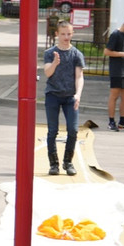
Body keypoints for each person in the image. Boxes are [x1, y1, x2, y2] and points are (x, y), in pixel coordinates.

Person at [43, 18, 86, 177]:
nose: (66, 37)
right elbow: (47, 72)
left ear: (72, 34)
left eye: (69, 34)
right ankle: (53, 164)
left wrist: (77, 95)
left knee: (73, 130)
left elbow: (79, 77)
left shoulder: (76, 54)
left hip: (70, 97)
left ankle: (68, 162)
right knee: (52, 131)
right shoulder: (49, 53)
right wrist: (55, 62)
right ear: (57, 34)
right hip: (53, 95)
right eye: (63, 34)